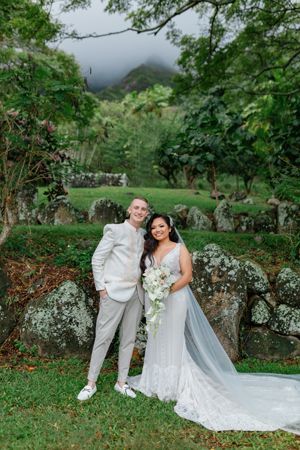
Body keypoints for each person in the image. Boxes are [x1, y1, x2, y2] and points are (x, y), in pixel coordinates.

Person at [129, 213, 300, 434]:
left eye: (161, 226)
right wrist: (154, 289)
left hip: (175, 298)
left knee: (173, 337)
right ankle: (154, 379)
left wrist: (166, 289)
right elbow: (145, 273)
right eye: (153, 227)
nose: (157, 230)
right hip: (155, 301)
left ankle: (173, 382)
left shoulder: (179, 249)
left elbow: (188, 276)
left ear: (170, 228)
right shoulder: (149, 249)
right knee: (156, 335)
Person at [77, 196, 149, 401]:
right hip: (113, 292)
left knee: (129, 339)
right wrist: (102, 288)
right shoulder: (114, 229)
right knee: (104, 336)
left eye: (143, 209)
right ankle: (91, 383)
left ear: (146, 213)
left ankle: (122, 382)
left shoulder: (145, 235)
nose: (139, 211)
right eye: (136, 207)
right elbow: (97, 259)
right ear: (129, 210)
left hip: (136, 293)